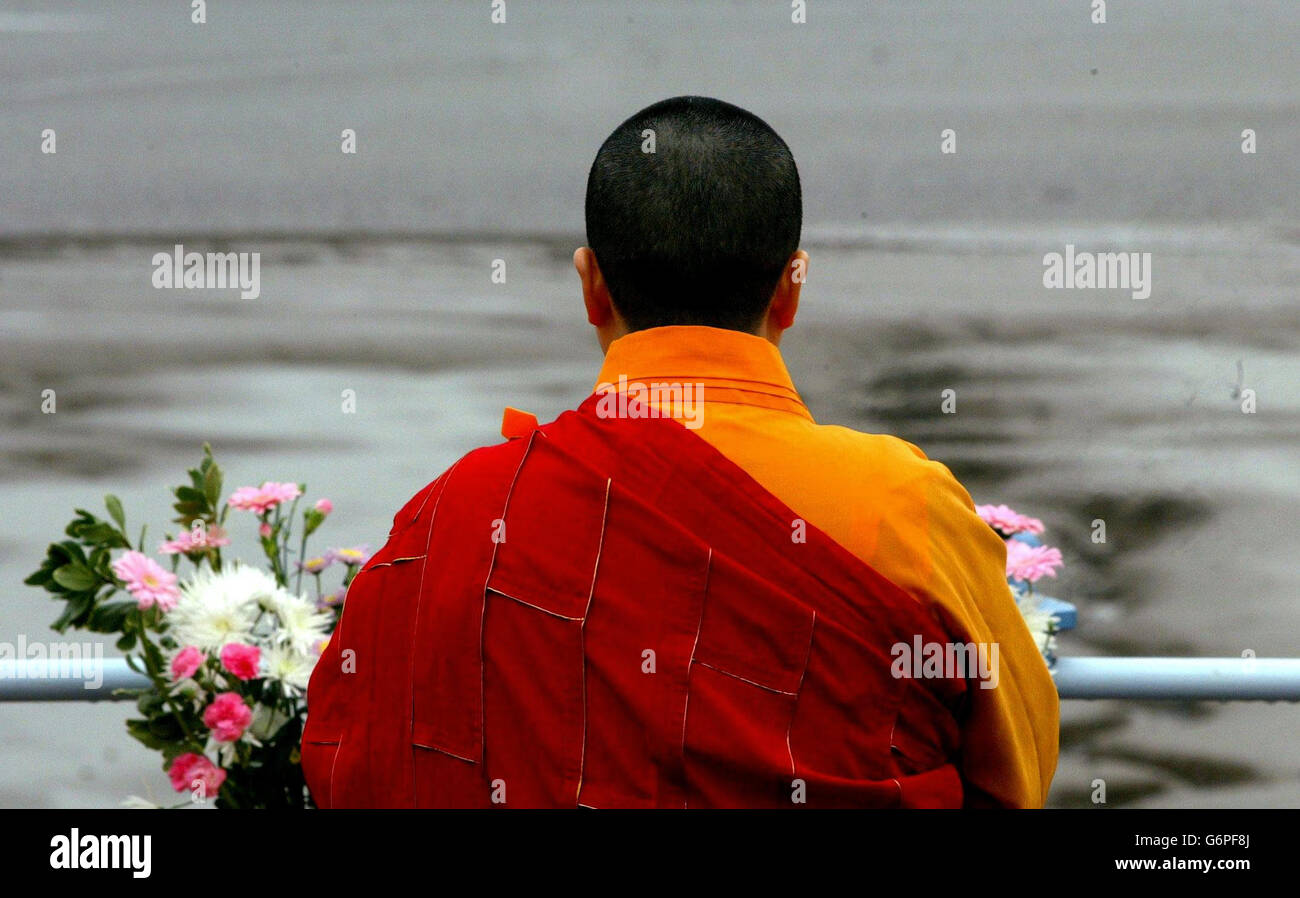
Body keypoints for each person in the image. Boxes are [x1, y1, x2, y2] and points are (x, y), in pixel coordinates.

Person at [301, 96, 1058, 808]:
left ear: (591, 286)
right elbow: (1018, 768)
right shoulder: (897, 504)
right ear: (790, 289)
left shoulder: (460, 514)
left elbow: (351, 761)